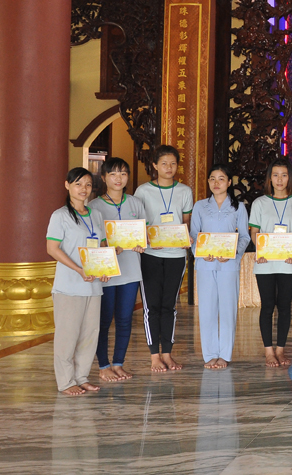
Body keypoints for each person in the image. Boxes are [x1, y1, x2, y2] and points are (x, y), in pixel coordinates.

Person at [47, 167, 110, 395]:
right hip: (69, 286)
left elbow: (101, 245)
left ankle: (81, 377)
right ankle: (66, 382)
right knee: (67, 336)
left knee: (89, 335)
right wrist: (79, 269)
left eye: (88, 185)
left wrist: (105, 268)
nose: (83, 189)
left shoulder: (96, 214)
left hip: (93, 286)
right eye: (78, 184)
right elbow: (52, 249)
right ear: (67, 185)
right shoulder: (60, 216)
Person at [134, 144, 194, 373]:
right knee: (152, 307)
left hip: (176, 255)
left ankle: (167, 354)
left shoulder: (185, 191)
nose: (169, 168)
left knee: (169, 306)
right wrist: (147, 238)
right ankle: (154, 356)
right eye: (164, 163)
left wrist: (185, 237)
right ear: (155, 166)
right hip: (150, 255)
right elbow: (138, 223)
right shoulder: (143, 191)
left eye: (173, 163)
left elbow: (186, 222)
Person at [89, 157, 146, 382]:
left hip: (131, 270)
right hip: (106, 272)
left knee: (124, 319)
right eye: (112, 174)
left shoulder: (135, 203)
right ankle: (103, 365)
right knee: (103, 321)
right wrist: (106, 246)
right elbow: (92, 240)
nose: (118, 178)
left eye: (122, 173)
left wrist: (142, 244)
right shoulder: (94, 206)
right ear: (104, 178)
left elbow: (144, 232)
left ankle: (119, 363)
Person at [190, 164, 250, 369]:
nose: (216, 183)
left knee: (227, 310)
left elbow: (244, 236)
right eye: (212, 179)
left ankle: (224, 355)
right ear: (208, 182)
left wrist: (233, 254)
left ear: (229, 182)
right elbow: (193, 235)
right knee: (206, 310)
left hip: (228, 265)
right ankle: (209, 355)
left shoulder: (238, 207)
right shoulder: (199, 206)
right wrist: (200, 252)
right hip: (205, 264)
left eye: (221, 179)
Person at [249, 156, 292, 368]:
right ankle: (268, 351)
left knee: (284, 307)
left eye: (284, 175)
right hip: (265, 263)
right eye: (275, 175)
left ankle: (280, 350)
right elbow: (254, 232)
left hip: (288, 263)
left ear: (289, 178)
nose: (280, 180)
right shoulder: (260, 203)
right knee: (267, 306)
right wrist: (260, 248)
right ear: (270, 178)